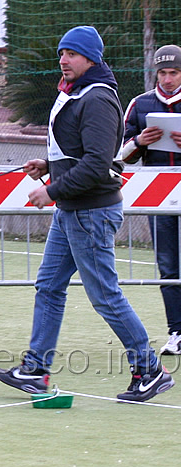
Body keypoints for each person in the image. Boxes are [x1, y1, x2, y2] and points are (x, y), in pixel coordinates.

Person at [0, 26, 175, 402]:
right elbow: (83, 153)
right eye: (61, 52)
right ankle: (35, 371)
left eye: (72, 53)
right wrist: (48, 165)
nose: (63, 59)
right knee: (49, 286)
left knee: (105, 296)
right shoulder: (79, 93)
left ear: (91, 58)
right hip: (75, 210)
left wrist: (51, 189)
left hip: (90, 212)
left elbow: (97, 164)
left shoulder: (97, 98)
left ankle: (151, 370)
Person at [123, 44, 181, 355]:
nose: (168, 79)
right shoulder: (140, 104)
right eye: (163, 72)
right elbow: (122, 155)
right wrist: (139, 141)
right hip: (158, 195)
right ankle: (177, 331)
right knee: (168, 264)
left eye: (174, 72)